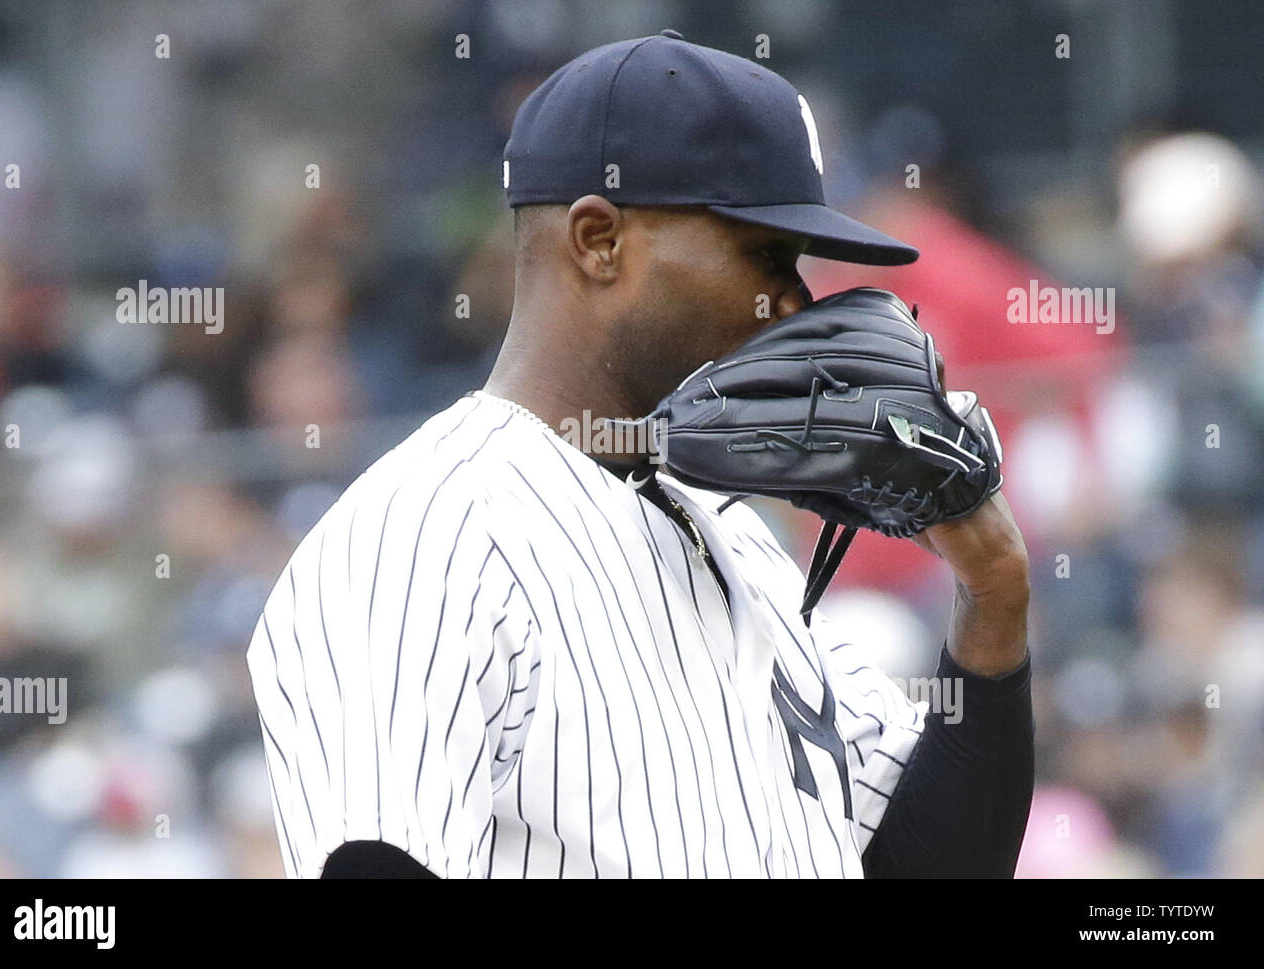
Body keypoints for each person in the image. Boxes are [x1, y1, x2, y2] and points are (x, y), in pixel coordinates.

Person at [246, 31, 1033, 879]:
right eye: (763, 255)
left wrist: (992, 596)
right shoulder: (425, 535)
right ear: (599, 240)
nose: (799, 303)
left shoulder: (735, 537)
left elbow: (928, 866)